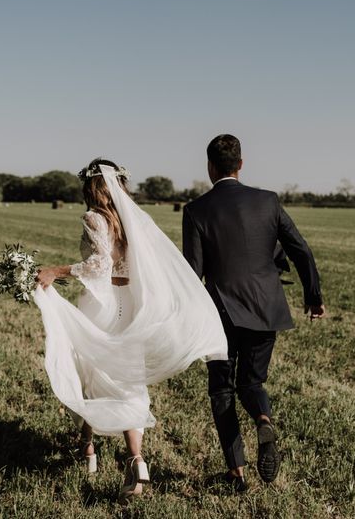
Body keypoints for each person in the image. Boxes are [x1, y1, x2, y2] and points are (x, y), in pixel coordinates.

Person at [34, 158, 227, 501]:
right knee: (126, 378)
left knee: (93, 373)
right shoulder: (134, 220)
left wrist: (55, 270)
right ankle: (132, 458)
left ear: (91, 187)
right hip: (131, 303)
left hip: (105, 303)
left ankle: (89, 449)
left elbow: (99, 265)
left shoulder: (94, 217)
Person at [182, 134, 327, 492]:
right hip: (267, 306)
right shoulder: (268, 201)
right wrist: (314, 296)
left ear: (210, 167)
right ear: (241, 164)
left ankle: (237, 473)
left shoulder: (197, 210)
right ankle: (263, 417)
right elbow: (301, 251)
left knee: (222, 391)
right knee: (253, 382)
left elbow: (192, 273)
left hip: (221, 313)